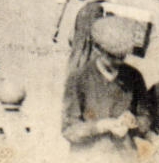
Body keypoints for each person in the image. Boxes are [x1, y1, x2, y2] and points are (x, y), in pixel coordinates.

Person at [62, 16, 153, 151]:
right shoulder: (79, 78)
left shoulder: (134, 76)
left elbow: (146, 119)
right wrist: (100, 126)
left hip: (124, 155)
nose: (118, 62)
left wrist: (134, 122)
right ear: (97, 49)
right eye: (112, 56)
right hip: (89, 156)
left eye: (122, 57)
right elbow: (69, 130)